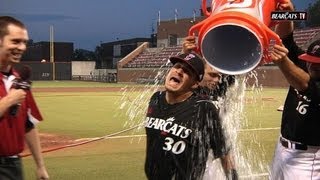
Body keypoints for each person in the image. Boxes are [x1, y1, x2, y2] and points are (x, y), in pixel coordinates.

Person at [144, 52, 236, 180]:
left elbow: (224, 152)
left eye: (187, 71)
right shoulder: (156, 99)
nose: (179, 71)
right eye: (177, 66)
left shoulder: (203, 108)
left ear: (195, 84)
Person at [269, 1, 320, 179]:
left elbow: (307, 86)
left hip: (308, 158)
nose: (312, 66)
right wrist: (287, 14)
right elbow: (287, 41)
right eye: (310, 61)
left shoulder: (308, 80)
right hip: (282, 147)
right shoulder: (307, 64)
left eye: (318, 65)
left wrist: (283, 62)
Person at [0, 16, 49, 180]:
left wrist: (40, 166)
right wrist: (9, 100)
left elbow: (29, 125)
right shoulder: (17, 91)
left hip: (14, 166)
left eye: (24, 42)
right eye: (15, 41)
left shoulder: (20, 82)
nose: (21, 47)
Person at [182, 35, 238, 179]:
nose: (217, 80)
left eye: (219, 76)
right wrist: (187, 54)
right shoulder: (188, 91)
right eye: (212, 75)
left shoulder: (219, 88)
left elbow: (237, 67)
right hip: (189, 158)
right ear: (198, 74)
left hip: (212, 154)